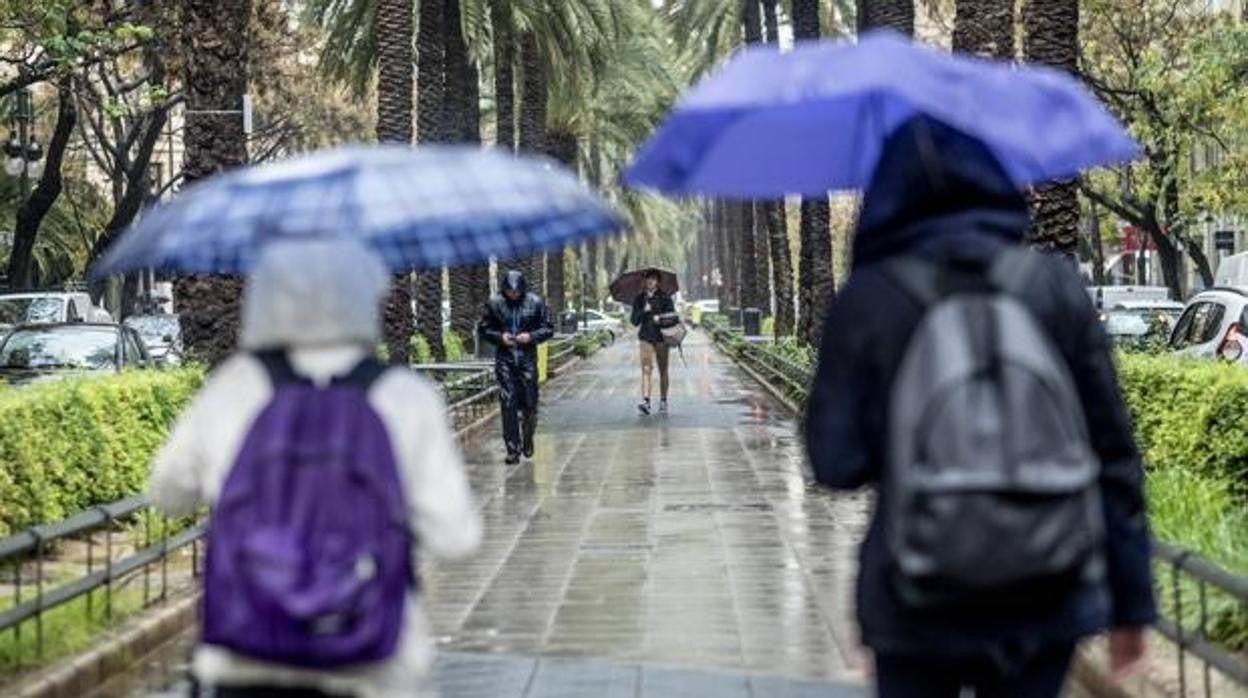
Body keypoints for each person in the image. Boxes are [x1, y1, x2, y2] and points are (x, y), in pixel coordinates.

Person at [803, 116, 1155, 698]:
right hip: (1047, 596)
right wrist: (1131, 604)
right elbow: (1114, 455)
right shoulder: (1054, 287)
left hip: (914, 597)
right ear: (993, 183)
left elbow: (834, 462)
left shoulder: (870, 300)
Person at [149, 239, 481, 698]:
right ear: (367, 299)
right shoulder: (406, 396)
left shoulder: (235, 386)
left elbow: (166, 493)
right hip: (372, 665)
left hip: (246, 657)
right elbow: (457, 539)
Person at [478, 269, 553, 464]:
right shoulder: (494, 303)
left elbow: (548, 328)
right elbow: (484, 329)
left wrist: (531, 337)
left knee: (530, 402)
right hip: (505, 358)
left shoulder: (535, 303)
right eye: (510, 291)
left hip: (527, 357)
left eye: (516, 291)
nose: (513, 295)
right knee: (508, 402)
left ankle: (527, 438)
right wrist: (500, 338)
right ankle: (512, 448)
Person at [630, 269, 676, 415]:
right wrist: (644, 311)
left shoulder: (665, 297)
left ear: (658, 281)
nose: (650, 281)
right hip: (645, 337)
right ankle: (646, 401)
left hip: (662, 338)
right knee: (646, 369)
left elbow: (673, 317)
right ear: (645, 281)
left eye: (653, 279)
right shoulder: (639, 298)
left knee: (663, 370)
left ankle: (663, 401)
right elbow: (634, 321)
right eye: (648, 279)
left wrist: (660, 318)